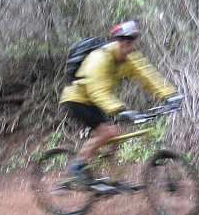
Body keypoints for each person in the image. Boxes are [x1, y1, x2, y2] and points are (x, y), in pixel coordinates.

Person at [59, 20, 180, 184]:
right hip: (77, 98)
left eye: (131, 43)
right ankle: (76, 167)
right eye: (126, 43)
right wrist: (118, 109)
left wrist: (170, 95)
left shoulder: (129, 58)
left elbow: (148, 75)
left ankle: (112, 179)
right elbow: (97, 90)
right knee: (107, 132)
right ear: (117, 42)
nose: (129, 48)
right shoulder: (99, 58)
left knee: (116, 133)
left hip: (95, 100)